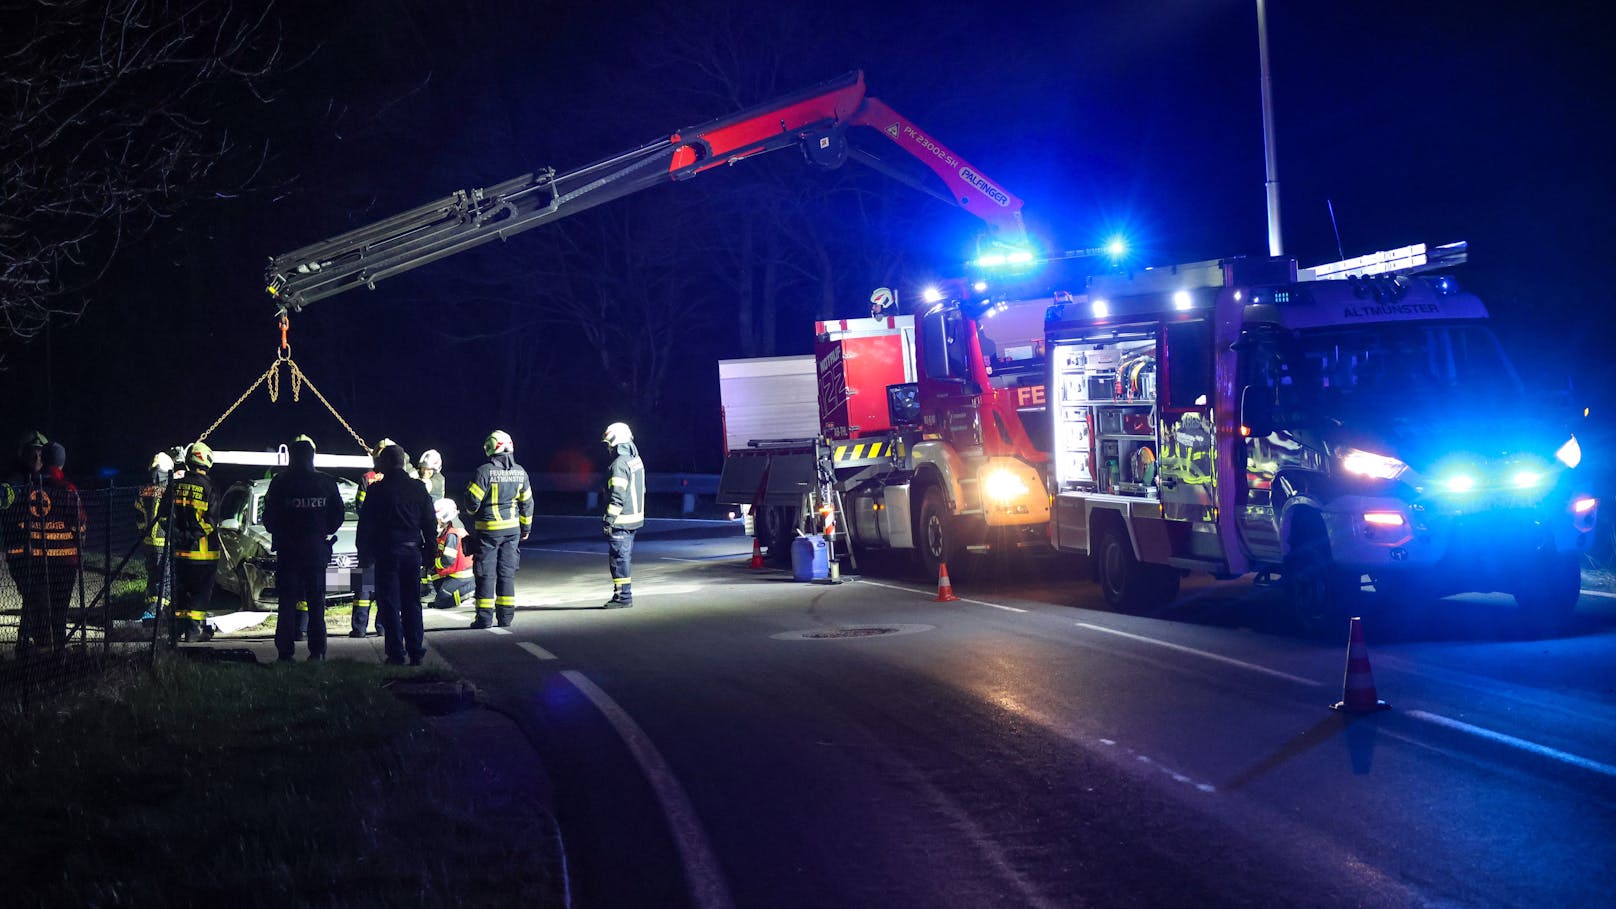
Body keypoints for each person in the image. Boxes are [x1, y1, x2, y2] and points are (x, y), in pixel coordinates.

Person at [263, 435, 346, 662]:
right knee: (316, 601)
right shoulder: (326, 482)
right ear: (312, 457)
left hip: (288, 549)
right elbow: (338, 515)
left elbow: (268, 518)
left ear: (291, 457)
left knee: (287, 602)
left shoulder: (280, 482)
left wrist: (283, 531)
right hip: (315, 548)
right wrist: (323, 532)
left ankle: (285, 653)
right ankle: (317, 652)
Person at [356, 444, 435, 665]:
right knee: (412, 602)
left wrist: (364, 554)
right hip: (412, 553)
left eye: (381, 460)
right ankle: (416, 651)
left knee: (389, 603)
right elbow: (429, 523)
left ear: (389, 462)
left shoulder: (376, 490)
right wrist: (431, 551)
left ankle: (396, 653)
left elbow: (365, 526)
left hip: (386, 554)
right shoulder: (418, 488)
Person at [462, 430, 532, 628]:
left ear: (491, 448)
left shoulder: (484, 471)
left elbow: (472, 502)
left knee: (486, 574)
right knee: (506, 573)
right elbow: (527, 503)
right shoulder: (520, 472)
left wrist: (472, 511)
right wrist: (525, 527)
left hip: (489, 531)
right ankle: (505, 618)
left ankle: (484, 619)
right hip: (512, 531)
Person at [163, 442, 220, 643]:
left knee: (181, 591)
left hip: (179, 552)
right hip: (203, 554)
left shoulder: (174, 485)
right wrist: (192, 536)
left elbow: (163, 517)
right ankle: (194, 631)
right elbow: (211, 521)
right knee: (200, 593)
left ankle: (178, 630)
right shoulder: (209, 487)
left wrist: (178, 536)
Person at [350, 437, 397, 639]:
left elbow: (360, 507)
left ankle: (359, 628)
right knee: (385, 586)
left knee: (363, 587)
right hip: (389, 542)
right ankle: (383, 627)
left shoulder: (367, 478)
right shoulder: (399, 480)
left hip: (368, 541)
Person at [600, 422, 646, 609]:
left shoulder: (618, 464)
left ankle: (623, 597)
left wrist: (608, 520)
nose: (608, 447)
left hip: (621, 520)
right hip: (634, 518)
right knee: (623, 558)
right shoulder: (635, 460)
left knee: (619, 559)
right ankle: (623, 595)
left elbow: (617, 496)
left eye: (609, 443)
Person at [134, 451, 175, 623]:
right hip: (165, 540)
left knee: (152, 576)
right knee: (164, 578)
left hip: (147, 542)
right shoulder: (169, 489)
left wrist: (145, 532)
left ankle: (151, 610)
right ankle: (158, 613)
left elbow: (138, 514)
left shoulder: (143, 489)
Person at [428, 498, 475, 608]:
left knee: (441, 603)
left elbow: (448, 560)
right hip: (457, 571)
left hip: (461, 575)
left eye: (438, 518)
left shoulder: (452, 534)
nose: (436, 520)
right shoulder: (451, 528)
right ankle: (444, 592)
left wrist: (435, 562)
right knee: (434, 573)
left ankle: (471, 589)